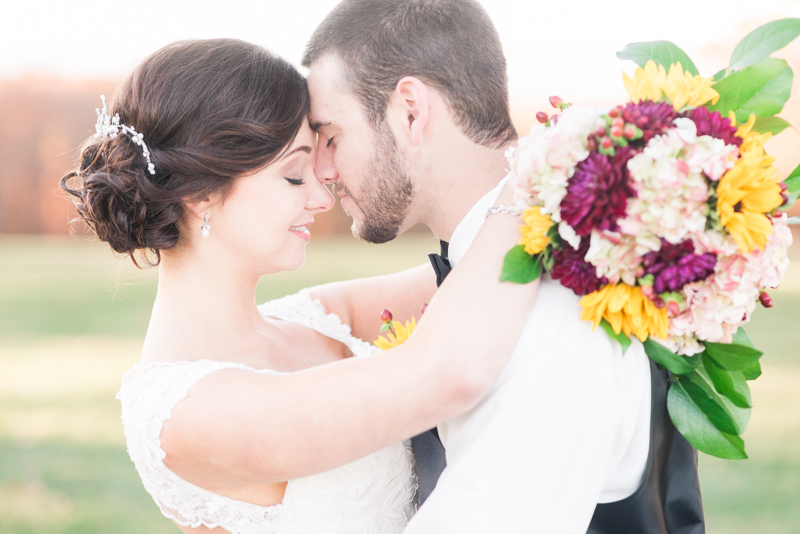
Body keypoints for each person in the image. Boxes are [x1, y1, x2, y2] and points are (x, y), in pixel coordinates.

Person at [60, 38, 539, 534]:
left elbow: (465, 269)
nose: (320, 198)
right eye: (293, 176)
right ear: (200, 193)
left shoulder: (317, 320)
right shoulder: (185, 417)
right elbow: (449, 374)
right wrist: (532, 178)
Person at [303, 0, 705, 532]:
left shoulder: (553, 318)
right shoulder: (495, 279)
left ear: (410, 110)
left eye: (330, 136)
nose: (322, 170)